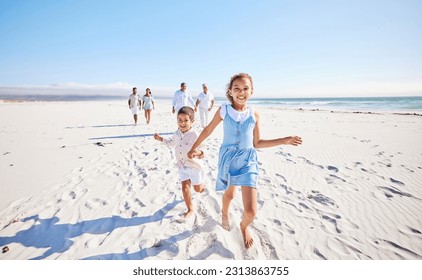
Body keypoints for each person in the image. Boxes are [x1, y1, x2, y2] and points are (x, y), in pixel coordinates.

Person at [188, 73, 302, 249]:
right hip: (229, 161)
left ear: (252, 91)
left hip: (248, 161)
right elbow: (208, 130)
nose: (241, 92)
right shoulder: (224, 110)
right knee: (230, 194)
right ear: (230, 92)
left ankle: (243, 226)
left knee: (250, 212)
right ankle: (224, 212)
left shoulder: (254, 114)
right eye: (237, 89)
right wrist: (194, 147)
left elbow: (257, 143)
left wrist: (284, 140)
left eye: (245, 88)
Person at [154, 106, 206, 220]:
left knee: (198, 189)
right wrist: (160, 139)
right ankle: (190, 209)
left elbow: (203, 153)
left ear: (192, 121)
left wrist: (196, 152)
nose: (182, 123)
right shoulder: (176, 134)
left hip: (194, 166)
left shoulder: (195, 135)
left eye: (186, 120)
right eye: (180, 120)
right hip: (182, 165)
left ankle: (202, 187)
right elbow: (171, 143)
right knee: (184, 188)